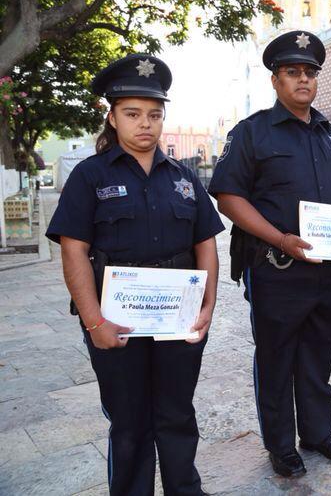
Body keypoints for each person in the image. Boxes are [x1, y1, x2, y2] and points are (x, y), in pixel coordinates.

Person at [46, 54, 224, 495]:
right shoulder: (90, 176)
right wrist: (94, 321)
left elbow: (206, 242)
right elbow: (74, 251)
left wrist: (208, 305)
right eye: (132, 114)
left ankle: (186, 489)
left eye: (154, 115)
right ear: (112, 117)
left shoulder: (184, 178)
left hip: (176, 318)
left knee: (178, 413)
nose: (145, 124)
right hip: (115, 317)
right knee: (129, 421)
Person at [208, 31, 331, 477]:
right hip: (276, 268)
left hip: (328, 271)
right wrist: (281, 239)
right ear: (276, 80)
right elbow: (228, 197)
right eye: (293, 72)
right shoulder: (252, 133)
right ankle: (281, 444)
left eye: (310, 73)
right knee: (277, 358)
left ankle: (318, 433)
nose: (303, 80)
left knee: (319, 356)